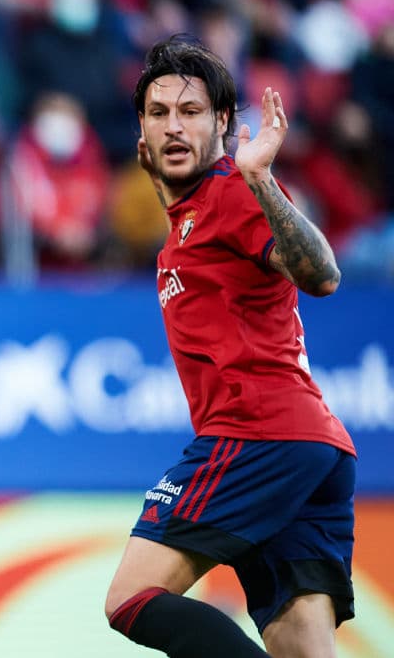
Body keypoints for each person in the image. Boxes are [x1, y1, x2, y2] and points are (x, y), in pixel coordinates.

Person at [104, 35, 356, 658]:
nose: (173, 126)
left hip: (257, 432)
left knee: (130, 599)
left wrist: (261, 180)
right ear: (140, 131)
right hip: (313, 449)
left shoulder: (234, 192)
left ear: (222, 122)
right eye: (159, 113)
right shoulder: (185, 220)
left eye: (191, 112)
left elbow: (322, 275)